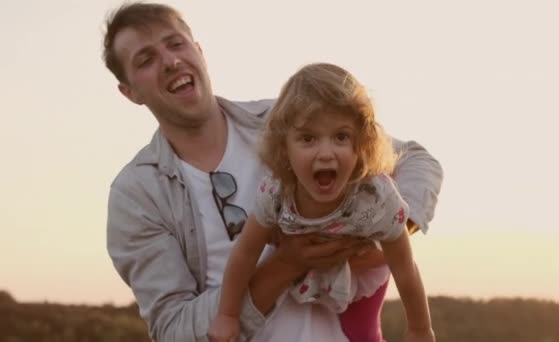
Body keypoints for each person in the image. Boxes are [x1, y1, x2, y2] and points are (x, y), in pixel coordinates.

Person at [102, 2, 443, 341]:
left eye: (176, 44)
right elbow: (174, 330)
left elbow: (414, 159)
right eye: (146, 59)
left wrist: (387, 234)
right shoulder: (135, 196)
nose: (171, 61)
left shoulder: (288, 120)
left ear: (199, 50)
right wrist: (287, 264)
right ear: (129, 92)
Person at [209, 63, 435, 342]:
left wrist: (420, 329)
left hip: (362, 263)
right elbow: (245, 253)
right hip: (307, 271)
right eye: (308, 138)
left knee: (363, 333)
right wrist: (227, 315)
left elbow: (405, 267)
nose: (325, 153)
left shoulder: (376, 197)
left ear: (362, 144)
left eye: (341, 136)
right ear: (284, 147)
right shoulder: (277, 192)